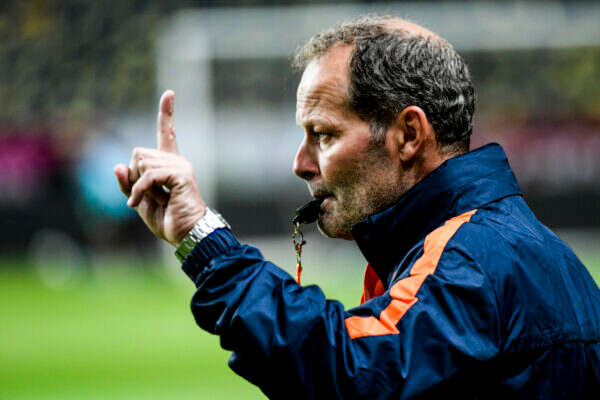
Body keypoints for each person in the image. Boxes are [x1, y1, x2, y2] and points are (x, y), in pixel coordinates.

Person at [114, 16, 600, 399]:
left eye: (323, 134)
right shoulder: (506, 243)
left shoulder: (471, 258)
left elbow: (351, 372)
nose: (300, 163)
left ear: (408, 134)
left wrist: (203, 239)